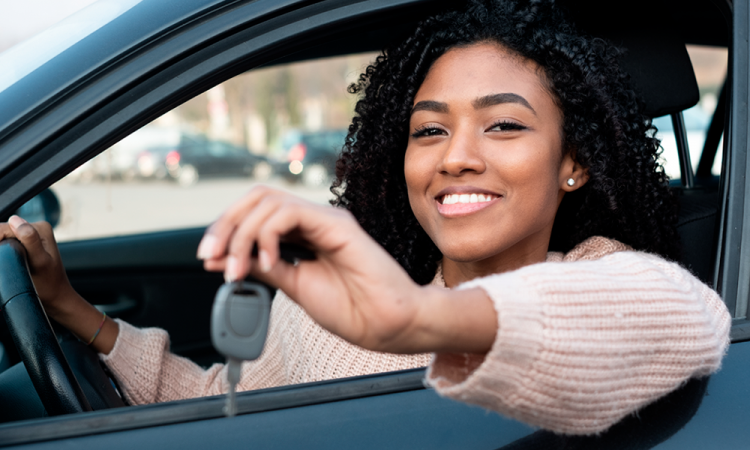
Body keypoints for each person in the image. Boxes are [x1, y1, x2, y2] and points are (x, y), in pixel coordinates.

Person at [0, 0, 730, 435]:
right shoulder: (331, 299)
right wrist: (73, 311)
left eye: (504, 127)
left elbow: (682, 319)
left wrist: (417, 322)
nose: (456, 158)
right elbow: (220, 405)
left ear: (573, 164)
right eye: (430, 130)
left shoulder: (597, 277)